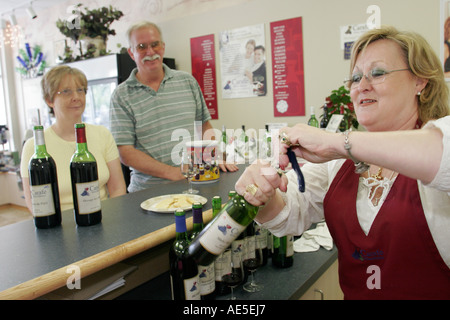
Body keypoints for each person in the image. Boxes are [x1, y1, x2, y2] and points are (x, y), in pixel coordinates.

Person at [235, 26, 450, 299]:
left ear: (420, 81)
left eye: (378, 73)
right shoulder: (338, 165)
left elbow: (442, 156)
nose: (362, 86)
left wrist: (337, 142)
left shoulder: (438, 143)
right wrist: (263, 193)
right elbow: (289, 214)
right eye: (356, 77)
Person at [110, 21, 237, 192]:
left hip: (193, 185)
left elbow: (204, 125)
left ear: (162, 47)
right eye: (141, 47)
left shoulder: (187, 81)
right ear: (131, 53)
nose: (150, 52)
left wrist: (215, 157)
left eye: (155, 44)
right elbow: (125, 152)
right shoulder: (121, 96)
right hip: (147, 194)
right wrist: (172, 172)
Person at [21, 66, 126, 212]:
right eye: (66, 91)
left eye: (80, 90)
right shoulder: (34, 147)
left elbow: (117, 189)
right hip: (59, 226)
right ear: (49, 100)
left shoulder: (102, 135)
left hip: (102, 219)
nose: (76, 97)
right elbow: (35, 203)